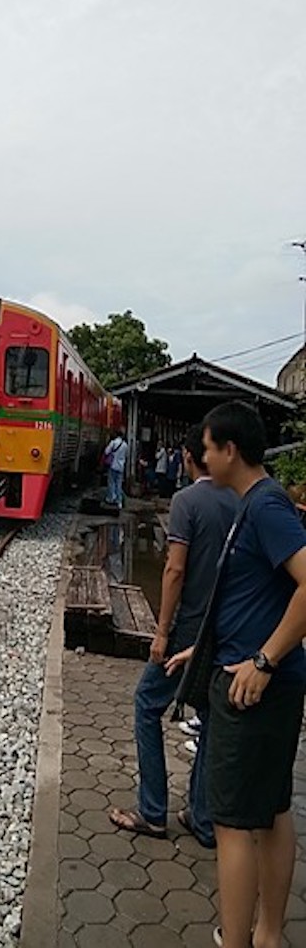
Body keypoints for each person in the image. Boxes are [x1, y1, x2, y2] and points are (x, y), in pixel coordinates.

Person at [167, 401, 306, 948]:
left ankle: (238, 939)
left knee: (230, 823)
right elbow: (256, 595)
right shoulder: (256, 505)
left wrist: (263, 659)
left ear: (229, 451)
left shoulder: (266, 507)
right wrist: (200, 651)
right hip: (263, 678)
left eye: (205, 448)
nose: (200, 457)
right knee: (271, 810)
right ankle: (269, 934)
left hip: (255, 689)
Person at [108, 423, 238, 846]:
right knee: (212, 717)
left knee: (146, 703)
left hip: (188, 632)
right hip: (227, 634)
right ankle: (201, 817)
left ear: (187, 458)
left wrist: (161, 633)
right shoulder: (242, 500)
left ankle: (152, 811)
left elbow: (175, 570)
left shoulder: (186, 500)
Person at [103, 430, 128, 509]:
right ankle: (119, 501)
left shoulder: (113, 443)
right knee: (119, 484)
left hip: (113, 465)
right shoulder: (125, 445)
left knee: (111, 482)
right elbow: (126, 455)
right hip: (121, 467)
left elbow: (106, 452)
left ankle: (111, 498)